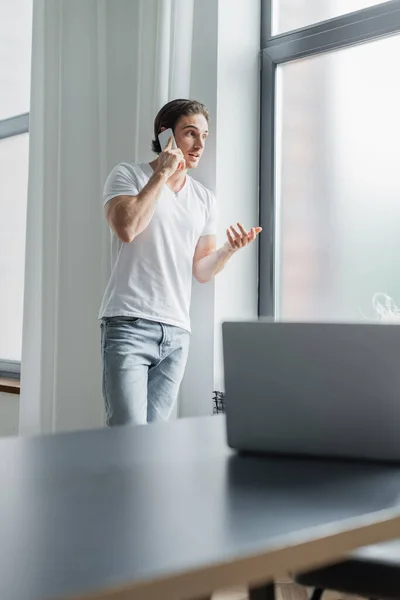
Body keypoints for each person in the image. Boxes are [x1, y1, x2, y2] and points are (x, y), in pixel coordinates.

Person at [99, 98, 261, 426]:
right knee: (125, 436)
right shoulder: (128, 174)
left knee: (156, 441)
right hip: (129, 324)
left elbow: (201, 271)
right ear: (165, 136)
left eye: (204, 135)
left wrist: (228, 249)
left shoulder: (204, 199)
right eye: (190, 133)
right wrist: (161, 174)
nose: (200, 143)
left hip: (176, 333)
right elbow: (127, 228)